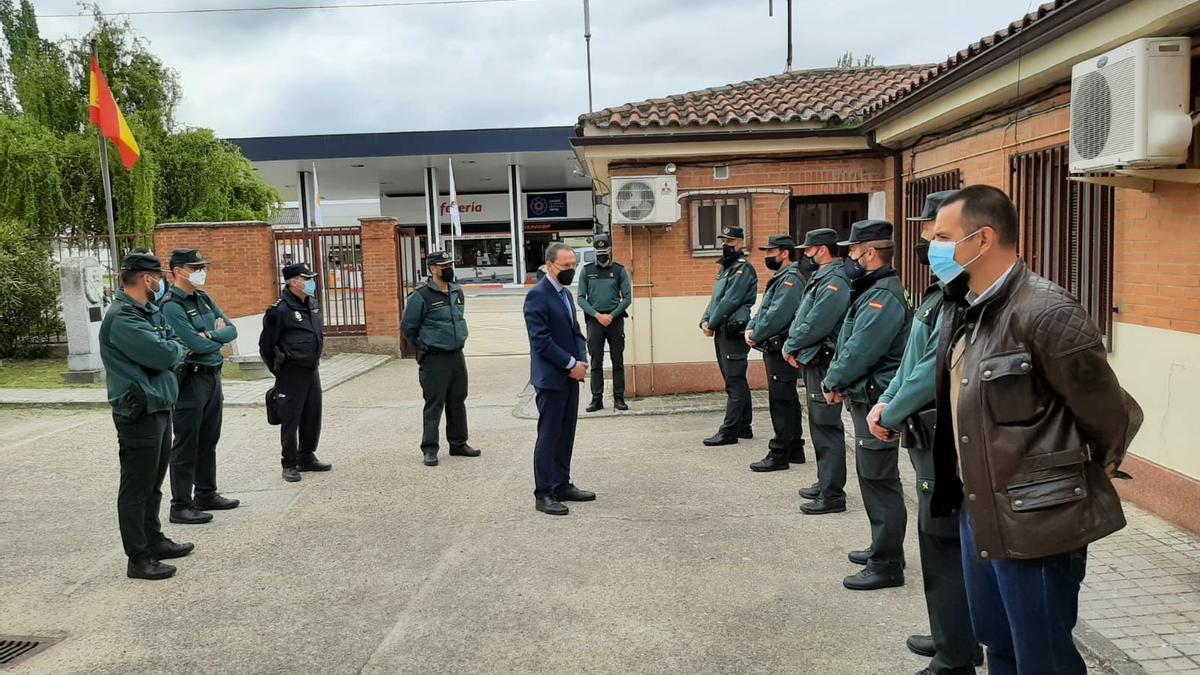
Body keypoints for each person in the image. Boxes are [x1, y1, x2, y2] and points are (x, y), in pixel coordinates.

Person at [928, 185, 1143, 674]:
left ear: (982, 240)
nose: (932, 247)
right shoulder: (970, 306)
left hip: (1037, 517)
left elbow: (1107, 411)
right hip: (979, 508)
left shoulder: (1045, 310)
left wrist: (1090, 467)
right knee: (998, 644)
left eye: (943, 236)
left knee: (1042, 657)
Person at [866, 191, 983, 675]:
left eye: (936, 233)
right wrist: (888, 402)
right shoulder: (939, 293)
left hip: (942, 434)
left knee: (942, 542)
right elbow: (911, 363)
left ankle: (955, 654)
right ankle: (950, 636)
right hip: (921, 426)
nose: (924, 241)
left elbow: (933, 370)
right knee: (938, 540)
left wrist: (890, 411)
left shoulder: (966, 298)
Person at [822, 219, 912, 591]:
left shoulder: (883, 295)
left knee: (879, 478)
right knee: (873, 477)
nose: (850, 258)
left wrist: (833, 380)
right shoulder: (876, 288)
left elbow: (861, 349)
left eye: (853, 251)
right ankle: (884, 546)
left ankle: (887, 563)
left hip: (876, 397)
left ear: (870, 252)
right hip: (869, 394)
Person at [99, 253, 194, 580]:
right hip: (139, 409)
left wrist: (173, 348)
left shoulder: (148, 310)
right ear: (147, 279)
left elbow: (175, 343)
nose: (160, 282)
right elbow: (165, 352)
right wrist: (173, 349)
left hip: (158, 404)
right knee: (137, 486)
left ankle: (154, 540)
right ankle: (138, 558)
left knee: (153, 481)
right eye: (157, 276)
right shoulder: (123, 317)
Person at [161, 249, 240, 526]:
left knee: (208, 438)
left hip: (212, 375)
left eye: (202, 266)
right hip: (189, 379)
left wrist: (211, 336)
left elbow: (231, 329)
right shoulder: (172, 305)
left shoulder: (203, 299)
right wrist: (213, 339)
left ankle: (206, 492)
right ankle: (181, 504)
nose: (200, 271)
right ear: (179, 270)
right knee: (186, 441)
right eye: (195, 267)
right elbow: (192, 344)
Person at [524, 243, 593, 516]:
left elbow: (575, 331)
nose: (570, 270)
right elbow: (540, 341)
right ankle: (544, 493)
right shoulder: (538, 296)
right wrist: (569, 364)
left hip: (571, 376)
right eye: (565, 266)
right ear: (550, 265)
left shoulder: (565, 294)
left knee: (566, 434)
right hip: (552, 378)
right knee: (549, 435)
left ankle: (562, 484)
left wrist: (581, 359)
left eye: (573, 265)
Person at [787, 229, 852, 514]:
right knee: (818, 425)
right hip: (814, 358)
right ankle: (825, 482)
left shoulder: (835, 280)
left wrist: (791, 344)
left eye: (809, 250)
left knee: (827, 427)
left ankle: (833, 494)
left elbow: (818, 322)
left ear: (822, 250)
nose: (806, 256)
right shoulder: (823, 276)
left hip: (824, 360)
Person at [400, 250, 480, 467]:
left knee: (458, 399)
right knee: (434, 403)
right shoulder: (421, 296)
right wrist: (423, 346)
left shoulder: (456, 290)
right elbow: (408, 327)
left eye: (450, 264)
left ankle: (458, 443)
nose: (449, 268)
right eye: (444, 265)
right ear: (433, 269)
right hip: (434, 357)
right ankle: (430, 448)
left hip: (456, 354)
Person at [259, 263, 333, 483]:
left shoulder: (311, 303)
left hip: (311, 368)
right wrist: (279, 368)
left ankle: (307, 455)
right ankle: (289, 462)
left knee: (312, 414)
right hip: (291, 371)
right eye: (306, 278)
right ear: (293, 281)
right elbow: (266, 344)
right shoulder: (279, 309)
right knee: (291, 418)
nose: (311, 282)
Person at [745, 234, 805, 472]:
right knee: (787, 398)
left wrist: (755, 334)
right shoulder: (781, 277)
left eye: (771, 251)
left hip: (780, 347)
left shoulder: (790, 279)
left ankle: (780, 453)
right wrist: (753, 328)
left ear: (784, 253)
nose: (767, 256)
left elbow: (777, 314)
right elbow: (765, 310)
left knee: (781, 400)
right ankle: (794, 447)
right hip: (775, 345)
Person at [699, 226, 758, 446]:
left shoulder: (743, 269)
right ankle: (744, 425)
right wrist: (704, 320)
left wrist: (712, 323)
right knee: (736, 380)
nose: (726, 245)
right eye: (724, 240)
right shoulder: (726, 269)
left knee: (734, 382)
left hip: (733, 330)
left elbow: (731, 300)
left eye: (731, 241)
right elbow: (715, 299)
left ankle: (729, 431)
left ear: (742, 242)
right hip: (722, 330)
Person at [578, 234, 632, 413]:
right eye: (598, 251)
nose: (601, 254)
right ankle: (596, 399)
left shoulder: (619, 270)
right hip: (595, 322)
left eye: (604, 250)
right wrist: (597, 315)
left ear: (610, 250)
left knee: (618, 361)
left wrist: (612, 315)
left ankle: (619, 398)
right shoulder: (586, 271)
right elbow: (580, 298)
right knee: (596, 361)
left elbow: (627, 298)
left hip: (615, 321)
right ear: (594, 251)